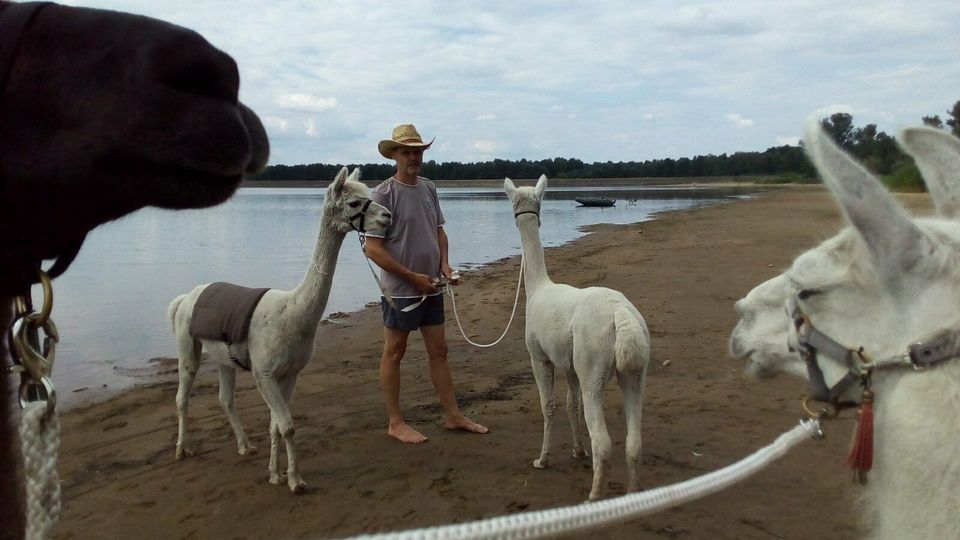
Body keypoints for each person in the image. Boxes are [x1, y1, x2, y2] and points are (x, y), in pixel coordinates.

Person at [363, 124, 489, 444]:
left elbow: (439, 232)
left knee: (440, 351)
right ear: (394, 155)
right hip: (401, 291)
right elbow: (373, 248)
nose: (413, 157)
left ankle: (454, 416)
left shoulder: (429, 187)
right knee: (395, 351)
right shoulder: (381, 194)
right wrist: (410, 277)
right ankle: (395, 422)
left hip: (432, 285)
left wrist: (445, 266)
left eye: (418, 151)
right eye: (407, 152)